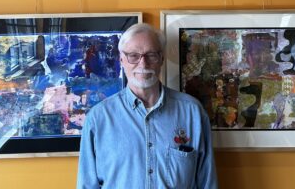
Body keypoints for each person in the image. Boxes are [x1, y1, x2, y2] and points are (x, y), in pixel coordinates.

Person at [76, 23, 218, 189]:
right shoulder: (98, 118)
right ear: (121, 59)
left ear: (161, 58)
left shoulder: (192, 112)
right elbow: (87, 185)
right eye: (133, 56)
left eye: (151, 55)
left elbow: (207, 182)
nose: (143, 64)